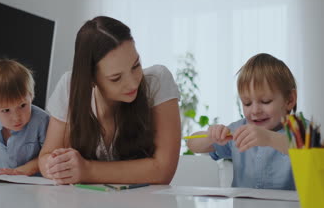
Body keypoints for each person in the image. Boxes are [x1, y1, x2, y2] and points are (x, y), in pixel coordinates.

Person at [39, 16, 181, 184]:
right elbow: (46, 157)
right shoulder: (70, 87)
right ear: (91, 78)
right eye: (116, 78)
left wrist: (87, 170)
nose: (133, 82)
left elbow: (163, 171)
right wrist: (57, 166)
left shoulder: (157, 82)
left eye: (136, 66)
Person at [187, 53, 297, 190]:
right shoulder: (239, 129)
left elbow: (310, 151)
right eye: (247, 103)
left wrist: (269, 138)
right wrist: (211, 136)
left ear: (290, 100)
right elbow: (192, 143)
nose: (255, 110)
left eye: (265, 101)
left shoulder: (301, 130)